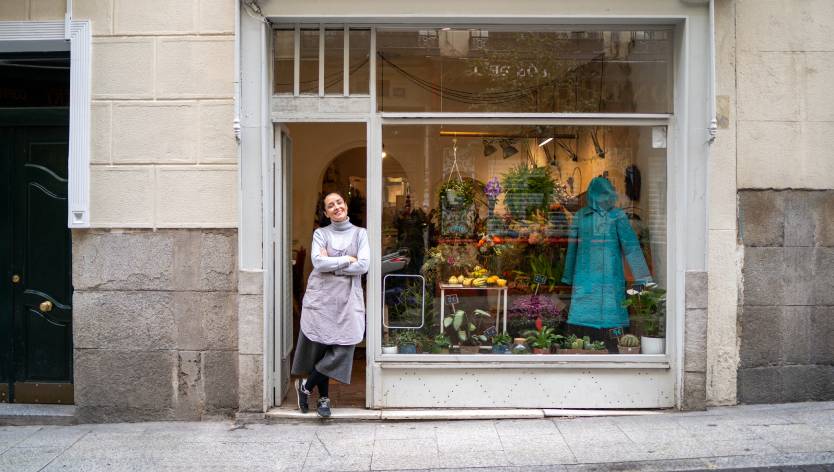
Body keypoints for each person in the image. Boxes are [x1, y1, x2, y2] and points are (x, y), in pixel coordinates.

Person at [291, 192, 369, 417]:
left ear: (345, 205)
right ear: (325, 212)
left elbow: (363, 265)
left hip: (347, 301)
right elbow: (317, 262)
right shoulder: (320, 234)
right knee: (322, 347)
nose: (336, 207)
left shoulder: (360, 234)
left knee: (343, 347)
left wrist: (331, 264)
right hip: (323, 299)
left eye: (339, 203)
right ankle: (323, 400)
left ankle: (305, 386)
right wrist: (346, 260)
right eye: (330, 205)